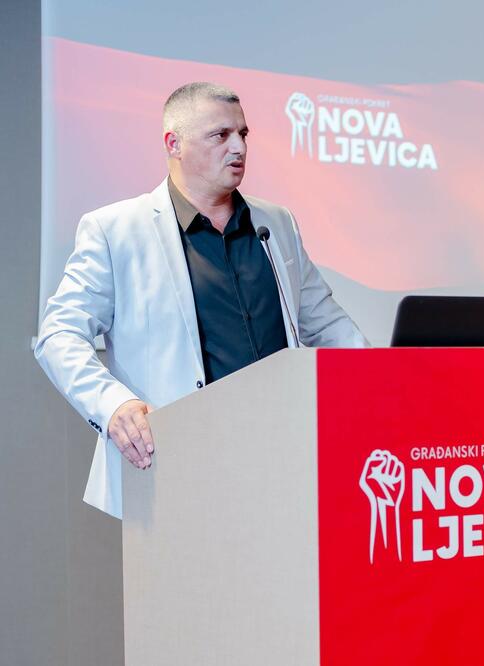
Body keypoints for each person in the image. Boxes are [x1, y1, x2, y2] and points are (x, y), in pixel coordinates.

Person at [35, 82, 368, 518]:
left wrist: (380, 386)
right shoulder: (116, 230)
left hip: (284, 453)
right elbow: (59, 334)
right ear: (174, 144)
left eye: (243, 134)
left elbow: (326, 324)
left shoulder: (275, 223)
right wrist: (112, 404)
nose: (239, 147)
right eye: (220, 135)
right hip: (177, 465)